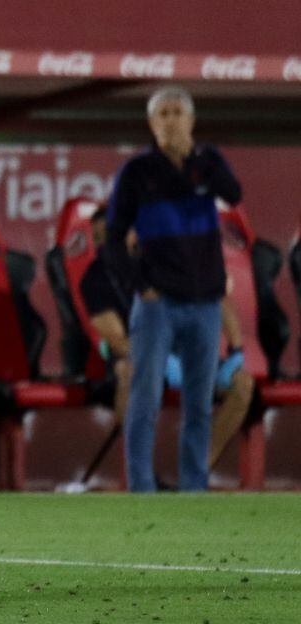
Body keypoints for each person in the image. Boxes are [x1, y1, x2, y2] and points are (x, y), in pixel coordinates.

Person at [103, 85, 242, 492]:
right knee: (145, 399)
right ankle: (142, 489)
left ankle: (193, 488)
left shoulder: (208, 162)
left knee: (199, 404)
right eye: (162, 113)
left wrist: (196, 157)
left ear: (191, 121)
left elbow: (234, 194)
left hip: (204, 301)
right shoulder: (136, 172)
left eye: (178, 112)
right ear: (151, 123)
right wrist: (139, 286)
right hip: (157, 302)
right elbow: (112, 239)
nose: (170, 120)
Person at [79, 208, 253, 476]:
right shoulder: (96, 278)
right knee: (127, 373)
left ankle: (198, 469)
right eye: (98, 238)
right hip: (139, 355)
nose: (105, 244)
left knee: (242, 385)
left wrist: (236, 350)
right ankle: (143, 473)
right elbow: (115, 338)